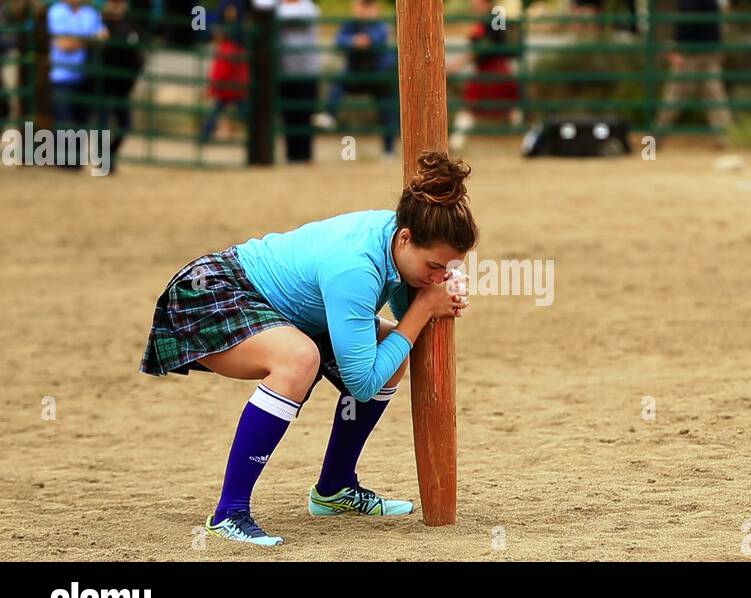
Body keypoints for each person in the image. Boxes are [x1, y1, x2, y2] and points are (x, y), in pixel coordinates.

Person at [139, 152, 476, 546]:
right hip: (212, 292)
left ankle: (334, 489)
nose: (441, 277)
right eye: (436, 266)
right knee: (299, 358)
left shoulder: (398, 238)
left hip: (283, 311)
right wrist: (422, 308)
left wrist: (426, 298)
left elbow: (400, 324)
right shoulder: (356, 266)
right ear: (405, 239)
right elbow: (363, 383)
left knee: (390, 351)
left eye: (449, 270)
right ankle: (229, 513)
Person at [311, 0, 398, 156]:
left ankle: (389, 149)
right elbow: (339, 41)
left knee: (387, 110)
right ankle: (329, 114)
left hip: (378, 75)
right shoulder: (350, 24)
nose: (363, 10)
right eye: (360, 5)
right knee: (339, 82)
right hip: (355, 74)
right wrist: (354, 41)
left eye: (367, 5)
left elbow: (375, 39)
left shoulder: (380, 25)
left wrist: (361, 41)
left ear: (375, 8)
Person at [446, 0, 521, 152]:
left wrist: (458, 64)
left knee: (506, 108)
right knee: (507, 108)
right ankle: (456, 143)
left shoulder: (496, 14)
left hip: (495, 68)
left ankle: (523, 142)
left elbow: (488, 45)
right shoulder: (484, 18)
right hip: (488, 69)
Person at [653, 0, 732, 142]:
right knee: (714, 97)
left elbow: (687, 22)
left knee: (674, 98)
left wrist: (676, 48)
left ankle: (654, 140)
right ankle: (727, 138)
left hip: (690, 54)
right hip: (709, 51)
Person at [48, 0, 107, 166]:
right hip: (61, 75)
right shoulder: (57, 11)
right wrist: (90, 40)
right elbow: (64, 44)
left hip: (85, 75)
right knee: (63, 119)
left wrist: (78, 41)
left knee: (82, 119)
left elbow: (103, 37)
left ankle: (74, 161)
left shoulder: (90, 13)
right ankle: (62, 160)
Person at [91, 0, 144, 172]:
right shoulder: (98, 22)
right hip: (105, 83)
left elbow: (140, 48)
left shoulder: (131, 22)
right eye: (114, 2)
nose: (118, 5)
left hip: (124, 86)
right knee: (103, 124)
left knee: (125, 124)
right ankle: (104, 161)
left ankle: (109, 157)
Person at [277, 0, 321, 163]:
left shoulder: (309, 8)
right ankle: (291, 155)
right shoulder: (279, 7)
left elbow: (299, 16)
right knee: (288, 114)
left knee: (305, 114)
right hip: (285, 71)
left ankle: (305, 155)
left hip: (307, 72)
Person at [200, 1, 247, 143]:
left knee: (228, 107)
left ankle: (205, 134)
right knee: (236, 107)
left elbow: (221, 72)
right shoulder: (229, 46)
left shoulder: (232, 45)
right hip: (231, 85)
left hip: (230, 84)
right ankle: (205, 134)